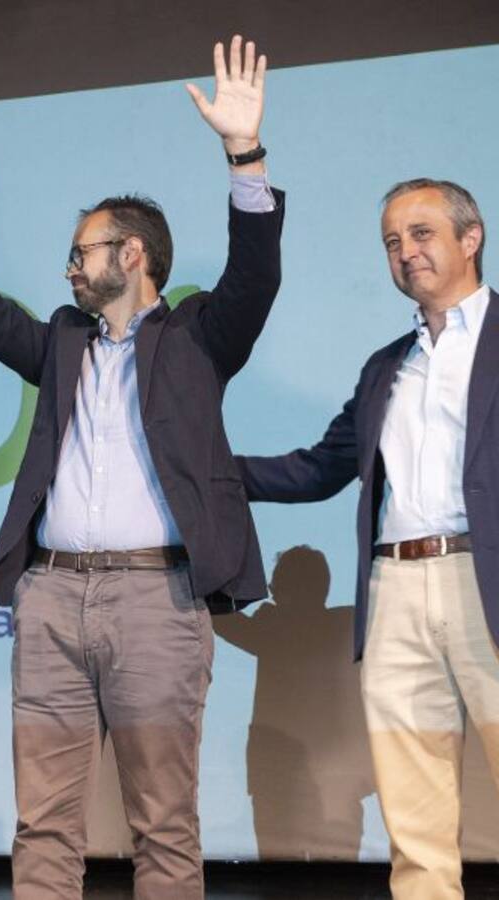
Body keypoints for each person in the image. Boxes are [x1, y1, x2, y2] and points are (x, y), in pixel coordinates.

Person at [0, 35, 283, 899]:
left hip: (157, 600)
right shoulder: (63, 342)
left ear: (132, 255)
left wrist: (244, 154)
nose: (69, 265)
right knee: (45, 824)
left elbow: (254, 277)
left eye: (83, 250)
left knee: (163, 825)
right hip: (53, 597)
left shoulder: (198, 337)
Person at [237, 178, 497, 899]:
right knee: (414, 817)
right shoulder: (388, 366)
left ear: (471, 238)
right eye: (391, 242)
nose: (404, 251)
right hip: (395, 590)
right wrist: (209, 472)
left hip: (484, 581)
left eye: (421, 233)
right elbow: (320, 467)